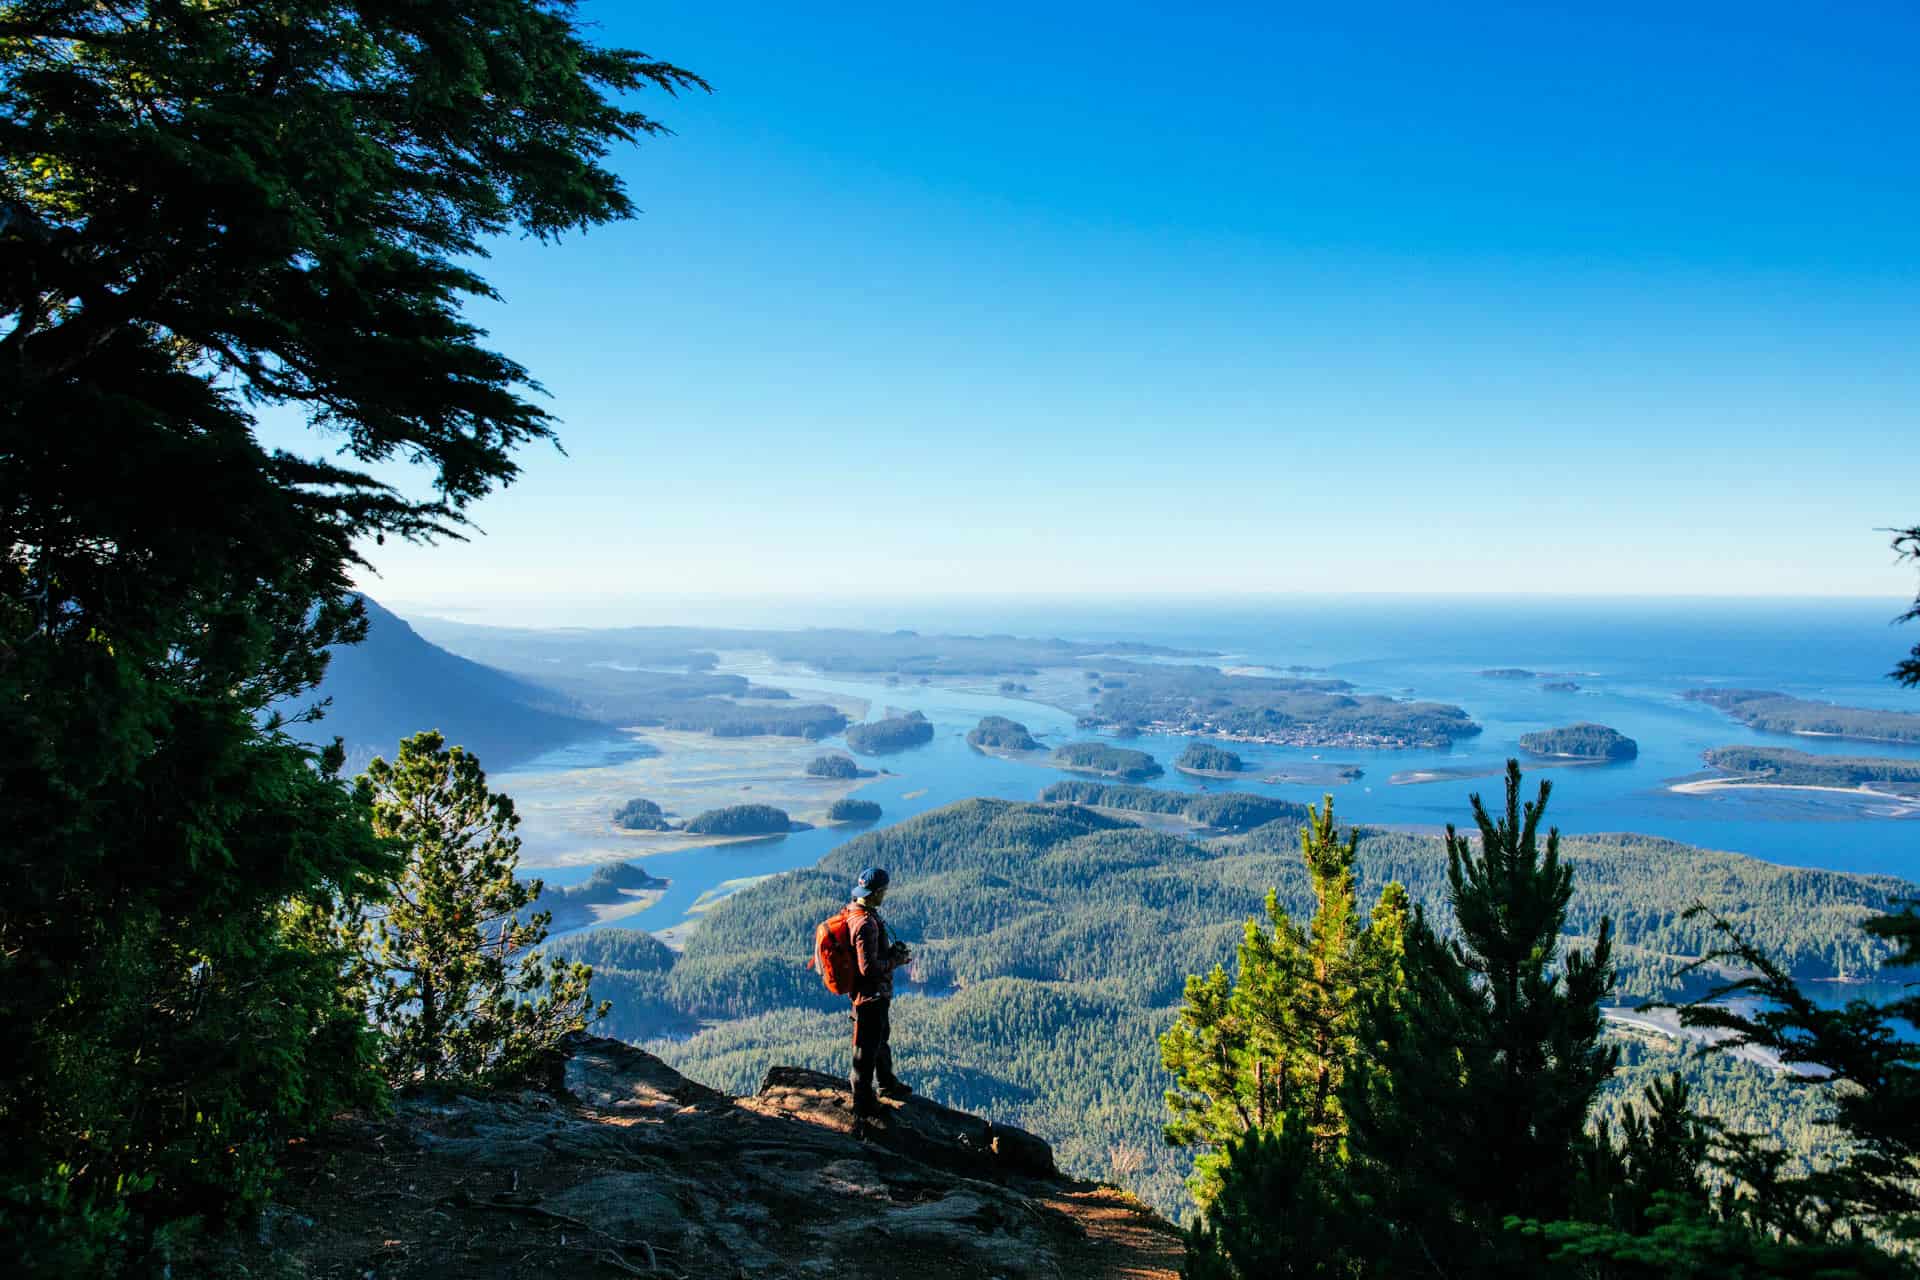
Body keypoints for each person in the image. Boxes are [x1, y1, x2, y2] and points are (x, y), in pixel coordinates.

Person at [846, 866, 913, 1118]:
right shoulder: (866, 924)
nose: (884, 894)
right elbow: (868, 968)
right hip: (870, 996)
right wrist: (896, 961)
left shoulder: (856, 912)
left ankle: (886, 1082)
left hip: (872, 994)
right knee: (865, 1048)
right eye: (883, 891)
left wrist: (890, 953)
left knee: (880, 1037)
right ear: (876, 893)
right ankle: (862, 1104)